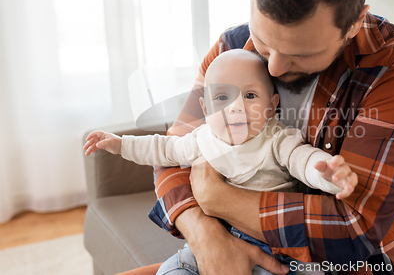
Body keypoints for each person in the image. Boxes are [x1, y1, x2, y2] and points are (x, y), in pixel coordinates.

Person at [119, 0, 394, 274]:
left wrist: (214, 195)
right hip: (231, 244)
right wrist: (206, 235)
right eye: (264, 41)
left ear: (354, 22)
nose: (274, 68)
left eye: (301, 54)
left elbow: (352, 232)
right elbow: (173, 154)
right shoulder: (230, 48)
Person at [84, 49, 358, 274]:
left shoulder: (277, 139)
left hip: (279, 254)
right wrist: (120, 145)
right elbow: (162, 148)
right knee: (173, 270)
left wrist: (329, 174)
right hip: (214, 245)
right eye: (222, 98)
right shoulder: (202, 139)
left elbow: (304, 160)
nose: (235, 107)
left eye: (250, 96)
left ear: (272, 105)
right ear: (205, 109)